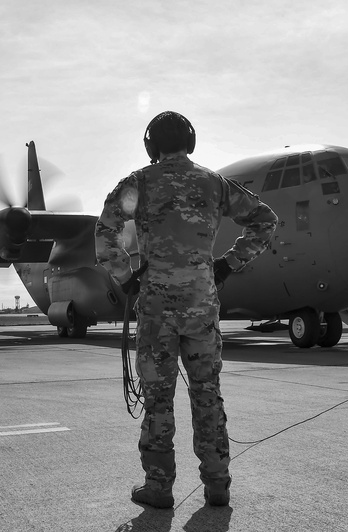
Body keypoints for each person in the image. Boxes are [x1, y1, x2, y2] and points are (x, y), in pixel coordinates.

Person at [95, 111, 278, 509]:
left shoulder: (139, 183)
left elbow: (106, 228)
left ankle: (159, 486)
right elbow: (265, 220)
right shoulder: (214, 184)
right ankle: (217, 484)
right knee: (207, 393)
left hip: (157, 307)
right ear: (190, 141)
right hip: (201, 304)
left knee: (158, 398)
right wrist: (229, 264)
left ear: (151, 144)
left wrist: (125, 277)